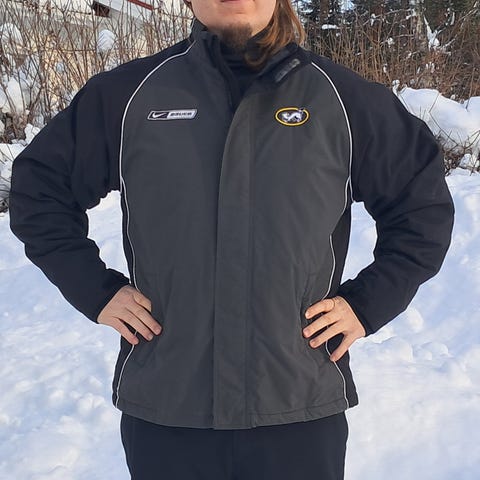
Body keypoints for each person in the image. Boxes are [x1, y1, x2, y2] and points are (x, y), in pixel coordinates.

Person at [8, 0, 455, 479]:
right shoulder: (128, 96)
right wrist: (96, 291)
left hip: (297, 410)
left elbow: (421, 208)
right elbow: (39, 190)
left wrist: (366, 304)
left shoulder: (343, 101)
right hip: (167, 410)